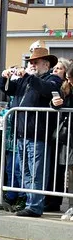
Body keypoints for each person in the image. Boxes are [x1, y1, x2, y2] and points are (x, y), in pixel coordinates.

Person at [0, 47, 63, 217]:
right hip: (21, 133)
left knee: (36, 173)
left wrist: (27, 76)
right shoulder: (25, 79)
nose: (32, 65)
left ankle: (35, 206)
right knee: (25, 171)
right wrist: (4, 77)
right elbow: (8, 89)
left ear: (46, 64)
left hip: (38, 133)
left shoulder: (53, 78)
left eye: (35, 62)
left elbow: (45, 89)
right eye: (30, 62)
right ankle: (29, 203)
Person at [53, 63, 73, 220]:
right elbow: (55, 105)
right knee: (70, 171)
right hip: (69, 135)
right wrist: (54, 104)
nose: (70, 81)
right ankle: (72, 207)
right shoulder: (65, 87)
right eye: (68, 78)